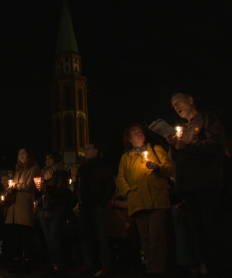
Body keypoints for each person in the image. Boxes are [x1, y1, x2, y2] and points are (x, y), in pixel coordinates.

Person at [167, 92, 230, 277]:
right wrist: (173, 146)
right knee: (198, 232)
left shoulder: (207, 118)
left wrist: (188, 146)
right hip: (189, 186)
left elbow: (217, 144)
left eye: (178, 101)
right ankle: (211, 269)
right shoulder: (185, 129)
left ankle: (223, 270)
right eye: (173, 105)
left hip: (206, 182)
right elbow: (175, 158)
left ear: (190, 100)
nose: (176, 106)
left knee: (213, 230)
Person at [118, 123, 175, 278]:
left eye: (140, 131)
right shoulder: (126, 157)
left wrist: (158, 168)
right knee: (145, 237)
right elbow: (121, 178)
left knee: (156, 234)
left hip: (157, 198)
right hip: (138, 200)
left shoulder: (156, 150)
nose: (139, 134)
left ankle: (159, 269)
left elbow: (170, 168)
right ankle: (150, 268)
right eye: (135, 132)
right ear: (129, 139)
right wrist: (129, 191)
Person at [74, 143, 116, 277]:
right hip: (84, 207)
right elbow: (77, 188)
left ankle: (106, 265)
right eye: (85, 149)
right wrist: (78, 202)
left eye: (89, 148)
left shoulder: (103, 167)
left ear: (97, 151)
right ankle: (88, 264)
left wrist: (101, 203)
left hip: (96, 206)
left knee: (100, 236)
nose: (85, 150)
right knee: (85, 236)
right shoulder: (82, 169)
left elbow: (110, 187)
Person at [5, 148, 40, 274]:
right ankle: (16, 263)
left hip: (24, 207)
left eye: (24, 153)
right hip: (13, 209)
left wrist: (14, 186)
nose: (21, 155)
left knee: (26, 238)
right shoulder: (18, 170)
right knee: (15, 238)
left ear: (29, 155)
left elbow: (30, 186)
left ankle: (27, 264)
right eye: (19, 154)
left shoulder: (34, 169)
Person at [34, 151, 69, 277]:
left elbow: (62, 191)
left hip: (56, 207)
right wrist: (37, 189)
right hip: (44, 207)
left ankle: (59, 265)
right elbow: (37, 194)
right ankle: (52, 263)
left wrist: (45, 187)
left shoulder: (61, 173)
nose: (47, 160)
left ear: (56, 159)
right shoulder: (42, 174)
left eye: (50, 158)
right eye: (46, 158)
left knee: (55, 238)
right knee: (48, 238)